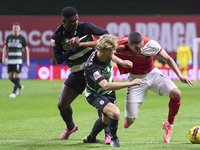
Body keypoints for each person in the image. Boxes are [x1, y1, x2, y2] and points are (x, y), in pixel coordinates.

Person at [114, 32, 195, 143]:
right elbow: (101, 47)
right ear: (130, 45)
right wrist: (118, 58)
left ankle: (169, 125)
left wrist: (180, 76)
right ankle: (128, 118)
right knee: (129, 122)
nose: (141, 49)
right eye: (137, 48)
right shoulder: (118, 44)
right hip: (135, 79)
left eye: (142, 45)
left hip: (153, 74)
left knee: (176, 92)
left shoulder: (151, 44)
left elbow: (168, 59)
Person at [51, 6, 112, 143]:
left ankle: (108, 134)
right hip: (76, 73)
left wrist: (83, 44)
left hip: (93, 70)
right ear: (64, 21)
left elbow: (106, 34)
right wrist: (71, 50)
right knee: (62, 104)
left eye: (77, 19)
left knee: (102, 101)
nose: (76, 23)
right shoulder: (57, 36)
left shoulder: (85, 27)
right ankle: (71, 127)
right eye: (72, 21)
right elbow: (59, 60)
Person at [83, 34, 142, 147]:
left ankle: (91, 138)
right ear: (106, 50)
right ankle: (114, 139)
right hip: (95, 94)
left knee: (105, 120)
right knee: (115, 113)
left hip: (108, 93)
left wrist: (121, 62)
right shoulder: (92, 67)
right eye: (112, 50)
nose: (114, 52)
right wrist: (130, 83)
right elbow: (105, 85)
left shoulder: (105, 54)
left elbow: (112, 56)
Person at [2, 22, 30, 98]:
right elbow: (5, 48)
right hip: (10, 60)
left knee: (17, 75)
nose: (16, 29)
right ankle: (19, 86)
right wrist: (3, 57)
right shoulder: (9, 37)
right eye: (14, 28)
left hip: (18, 60)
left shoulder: (22, 38)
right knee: (10, 77)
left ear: (19, 29)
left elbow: (26, 49)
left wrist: (27, 60)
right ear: (12, 28)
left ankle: (14, 92)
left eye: (17, 28)